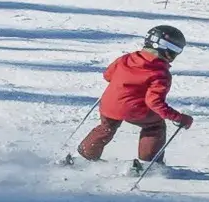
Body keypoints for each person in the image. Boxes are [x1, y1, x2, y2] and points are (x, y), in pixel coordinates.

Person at [75, 26, 193, 174]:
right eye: (176, 51)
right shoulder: (159, 73)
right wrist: (179, 117)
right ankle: (148, 164)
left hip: (109, 104)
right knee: (155, 126)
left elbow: (108, 76)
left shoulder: (125, 58)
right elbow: (154, 102)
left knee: (107, 126)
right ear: (167, 50)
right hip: (134, 110)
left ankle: (86, 155)